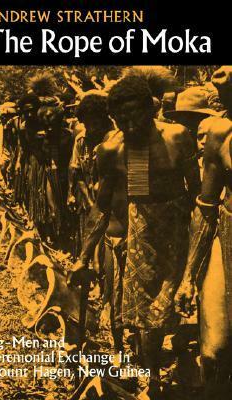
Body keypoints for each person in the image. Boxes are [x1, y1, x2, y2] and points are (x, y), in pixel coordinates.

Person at [69, 68, 201, 397]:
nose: (129, 126)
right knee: (147, 319)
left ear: (150, 108)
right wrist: (83, 257)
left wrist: (198, 241)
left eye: (135, 117)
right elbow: (102, 206)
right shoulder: (113, 149)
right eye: (121, 119)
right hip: (140, 232)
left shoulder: (177, 137)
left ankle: (184, 364)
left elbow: (198, 195)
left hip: (179, 228)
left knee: (178, 308)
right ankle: (152, 377)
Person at [174, 66, 232, 399]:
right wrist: (188, 278)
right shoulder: (220, 133)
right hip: (226, 235)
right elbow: (206, 209)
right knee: (214, 350)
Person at [67, 90, 114, 255]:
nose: (91, 129)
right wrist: (88, 201)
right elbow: (77, 171)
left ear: (104, 118)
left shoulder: (116, 139)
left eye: (95, 124)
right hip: (89, 199)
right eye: (87, 124)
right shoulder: (81, 139)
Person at [0, 102, 17, 184]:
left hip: (14, 151)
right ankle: (6, 182)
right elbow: (0, 141)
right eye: (2, 117)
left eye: (6, 117)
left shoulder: (14, 127)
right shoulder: (0, 128)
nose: (4, 119)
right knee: (2, 168)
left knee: (13, 171)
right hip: (5, 151)